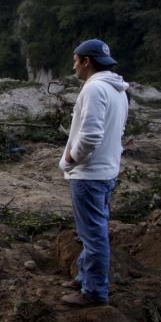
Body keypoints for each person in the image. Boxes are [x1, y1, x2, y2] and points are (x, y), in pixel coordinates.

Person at [58, 38, 129, 307]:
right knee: (91, 231)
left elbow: (90, 136)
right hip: (105, 172)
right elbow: (117, 131)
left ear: (86, 61)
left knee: (94, 234)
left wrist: (69, 158)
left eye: (76, 60)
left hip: (89, 175)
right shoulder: (118, 89)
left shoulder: (94, 89)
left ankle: (94, 293)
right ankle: (84, 278)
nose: (73, 66)